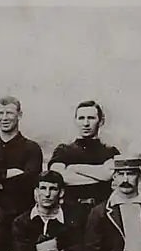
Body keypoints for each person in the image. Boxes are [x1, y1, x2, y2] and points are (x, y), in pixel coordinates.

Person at [49, 100, 121, 233]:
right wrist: (99, 173)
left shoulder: (110, 151)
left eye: (91, 118)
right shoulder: (63, 150)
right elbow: (57, 177)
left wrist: (74, 169)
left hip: (102, 214)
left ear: (101, 121)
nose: (86, 123)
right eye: (81, 118)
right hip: (70, 214)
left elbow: (107, 175)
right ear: (75, 121)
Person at [0, 96, 44, 221]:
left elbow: (29, 182)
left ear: (19, 115)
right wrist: (10, 174)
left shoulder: (32, 149)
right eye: (0, 113)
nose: (4, 118)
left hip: (23, 215)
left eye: (9, 113)